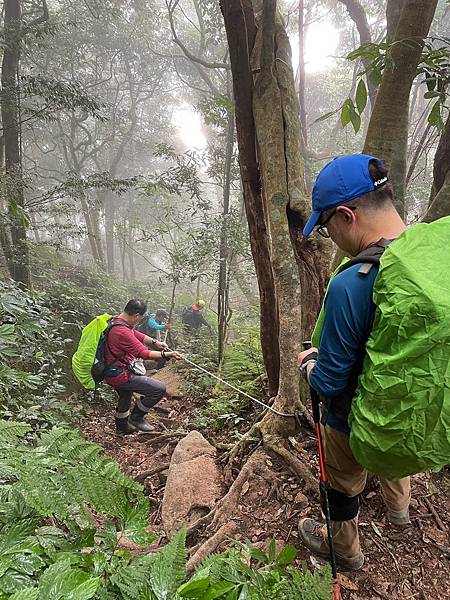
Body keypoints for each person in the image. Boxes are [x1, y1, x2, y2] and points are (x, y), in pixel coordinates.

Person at [296, 154, 411, 571]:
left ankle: (345, 552)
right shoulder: (429, 262)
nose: (330, 237)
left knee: (340, 485)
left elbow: (328, 382)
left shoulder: (352, 282)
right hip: (406, 415)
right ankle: (399, 511)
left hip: (351, 420)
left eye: (327, 228)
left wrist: (308, 363)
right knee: (394, 449)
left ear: (347, 215)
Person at [104, 299, 182, 435]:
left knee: (125, 396)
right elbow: (143, 353)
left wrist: (154, 342)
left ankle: (121, 429)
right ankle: (136, 417)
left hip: (112, 370)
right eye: (139, 319)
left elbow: (134, 333)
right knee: (158, 389)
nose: (138, 322)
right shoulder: (122, 331)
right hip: (120, 375)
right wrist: (168, 354)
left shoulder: (116, 321)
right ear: (136, 316)